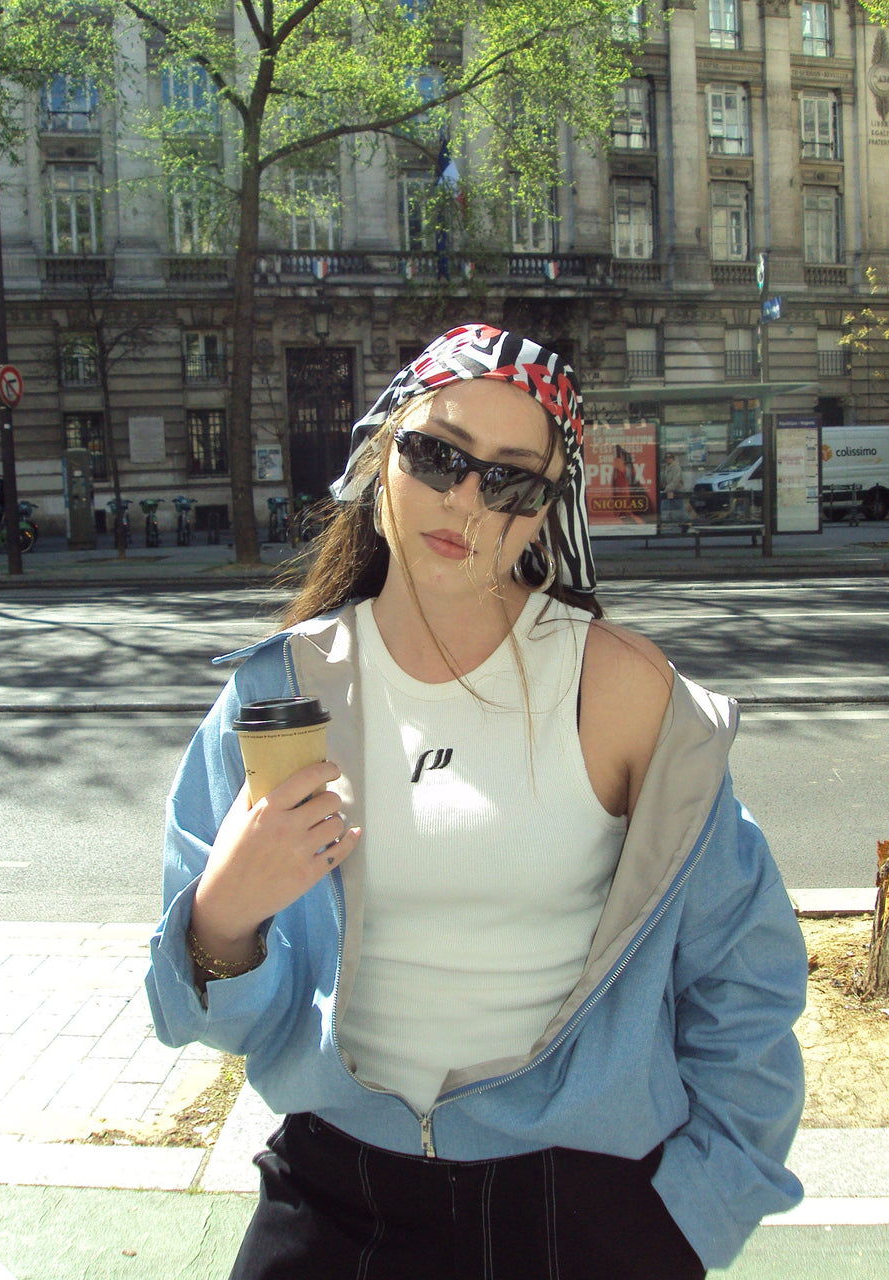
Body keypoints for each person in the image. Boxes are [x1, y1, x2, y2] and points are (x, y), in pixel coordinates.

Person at [147, 324, 807, 1280]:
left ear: (547, 512)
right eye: (438, 454)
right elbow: (203, 1022)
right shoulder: (275, 698)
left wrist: (696, 1217)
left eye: (512, 479)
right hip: (337, 1197)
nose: (466, 498)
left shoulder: (622, 693)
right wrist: (222, 917)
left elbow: (745, 978)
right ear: (383, 457)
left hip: (583, 1200)